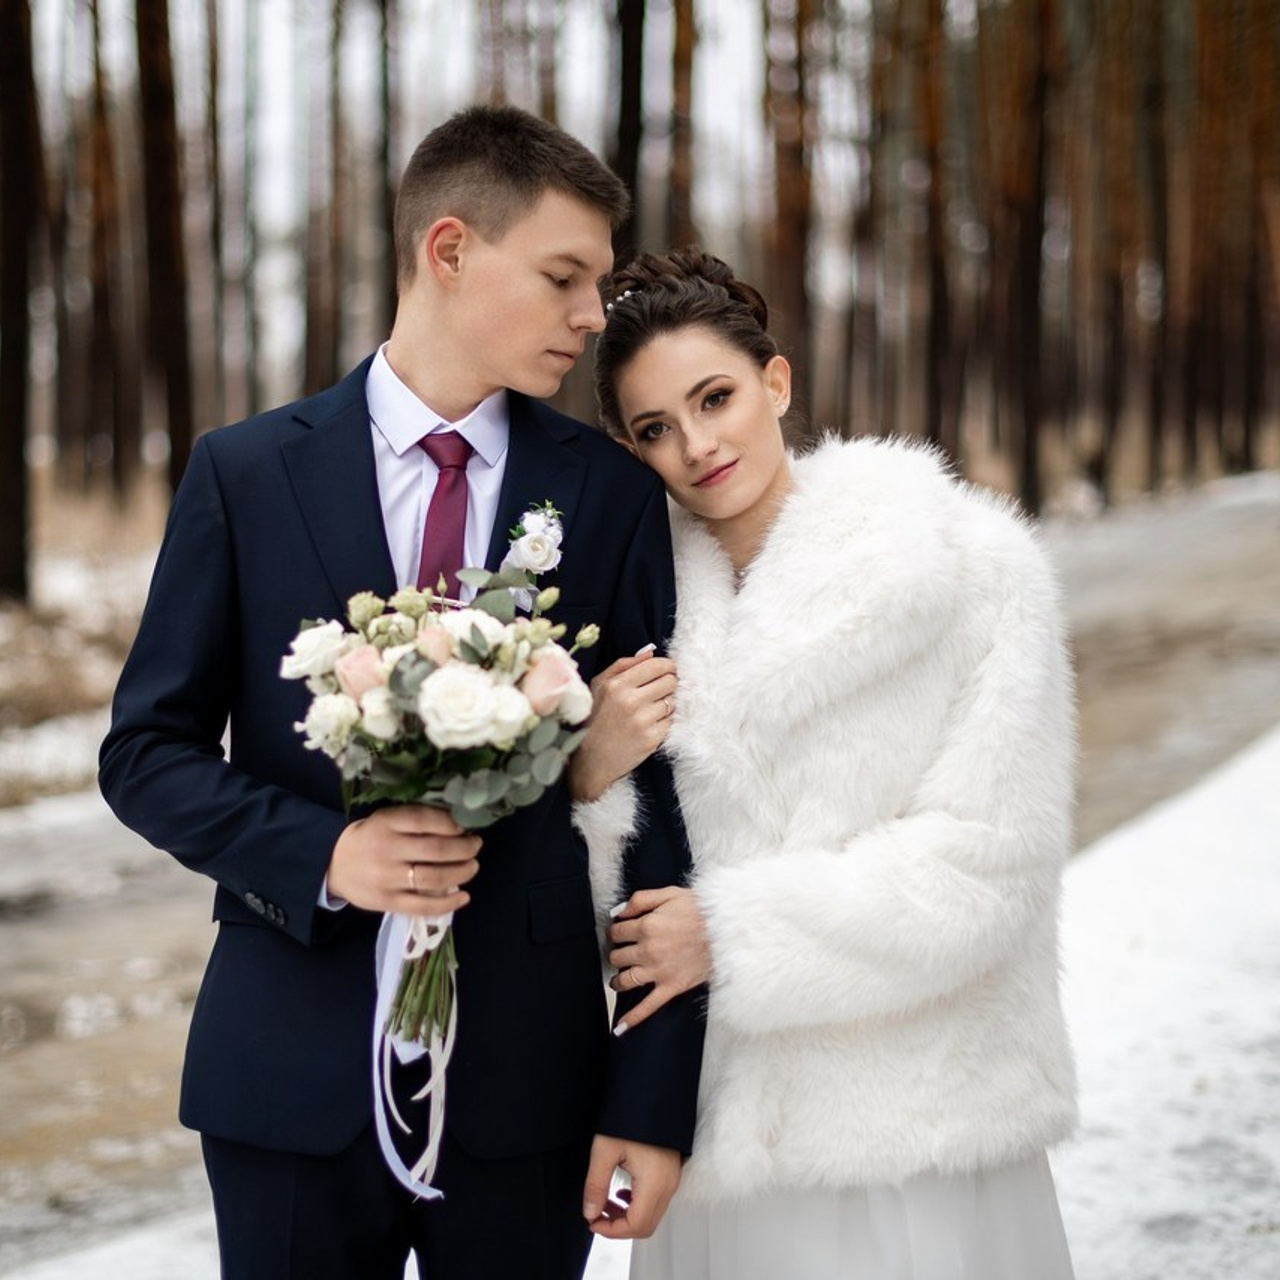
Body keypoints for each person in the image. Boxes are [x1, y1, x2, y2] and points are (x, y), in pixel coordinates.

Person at [99, 106, 704, 1280]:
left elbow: (658, 810)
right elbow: (145, 754)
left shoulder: (607, 494)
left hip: (528, 1094)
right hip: (286, 1076)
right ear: (449, 250)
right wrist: (327, 856)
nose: (592, 317)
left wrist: (650, 1093)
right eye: (565, 277)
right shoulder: (244, 471)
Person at [569, 249, 1078, 1277]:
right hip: (722, 1138)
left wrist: (730, 932)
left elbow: (987, 867)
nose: (697, 446)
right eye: (654, 429)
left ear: (777, 381)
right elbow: (602, 892)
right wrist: (588, 776)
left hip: (918, 1126)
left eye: (714, 397)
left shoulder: (968, 567)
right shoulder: (634, 615)